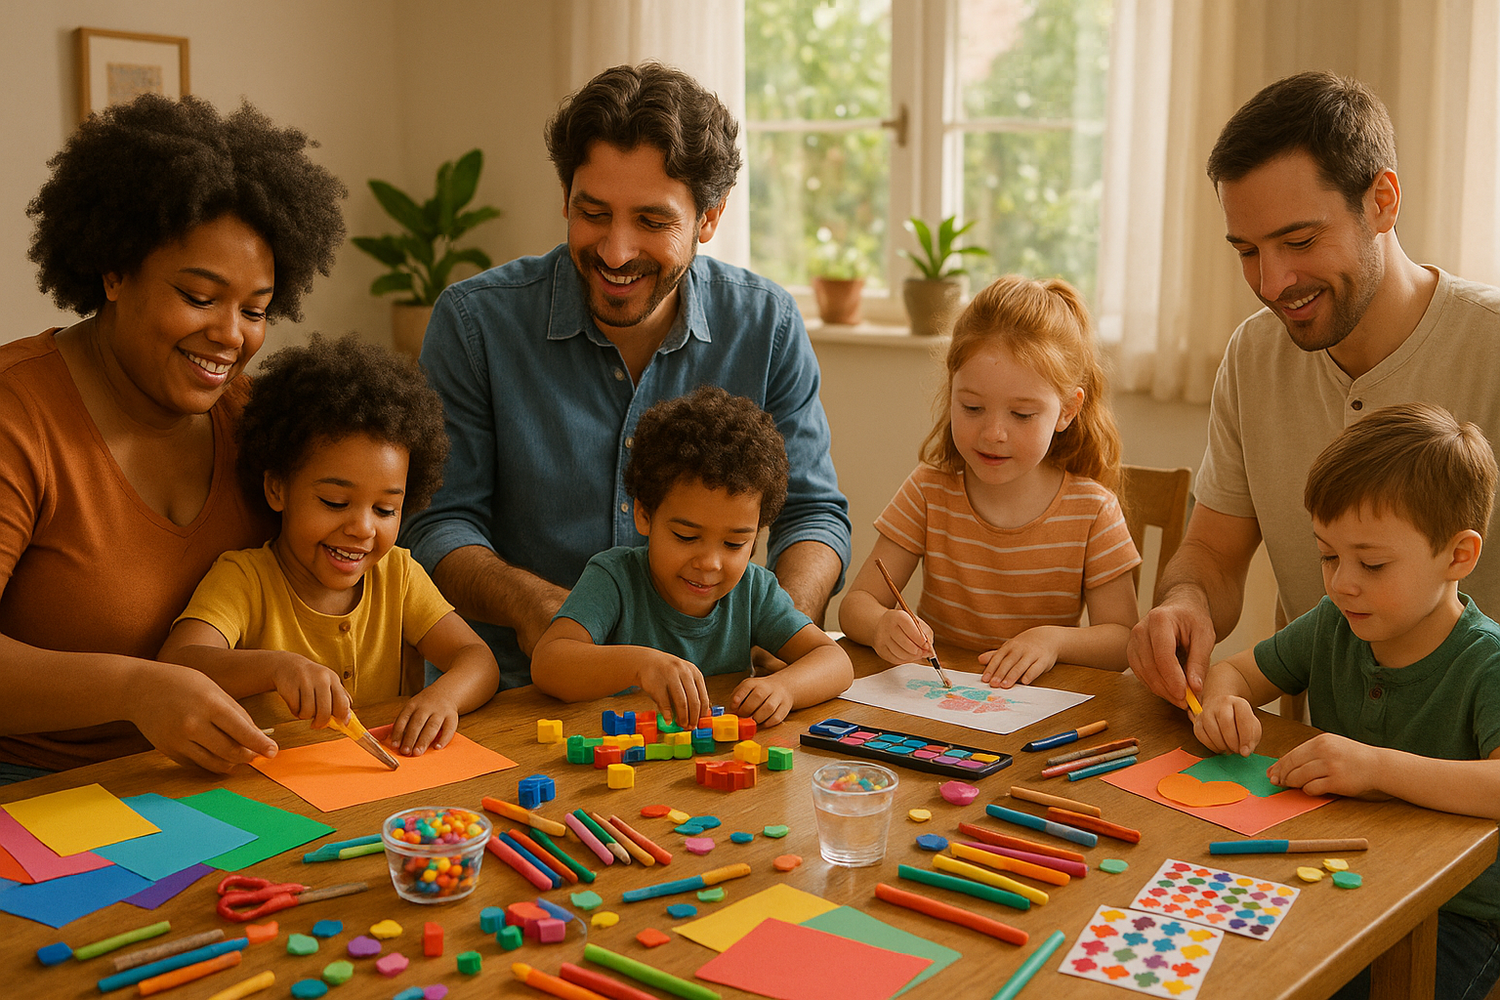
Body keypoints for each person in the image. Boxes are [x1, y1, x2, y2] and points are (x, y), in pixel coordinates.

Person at [401, 62, 851, 691]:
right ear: (564, 198)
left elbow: (812, 513)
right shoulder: (476, 324)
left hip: (715, 701)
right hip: (514, 694)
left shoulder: (766, 324)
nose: (615, 252)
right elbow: (434, 522)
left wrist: (787, 621)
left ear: (709, 218)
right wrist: (530, 605)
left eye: (652, 221)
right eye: (592, 213)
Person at [1127, 71, 1500, 708]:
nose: (1273, 283)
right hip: (1315, 761)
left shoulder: (1488, 346)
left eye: (1300, 240)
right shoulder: (1253, 355)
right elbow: (1213, 552)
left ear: (1382, 201)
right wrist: (1183, 603)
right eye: (1247, 250)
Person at [0, 95, 345, 781]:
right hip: (36, 795)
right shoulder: (17, 415)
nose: (230, 335)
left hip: (221, 781)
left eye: (255, 310)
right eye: (198, 297)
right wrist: (136, 689)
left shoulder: (255, 420)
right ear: (115, 271)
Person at [1193, 402, 1500, 1000]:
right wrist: (1222, 702)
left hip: (1460, 911)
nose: (1341, 582)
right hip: (1345, 879)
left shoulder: (1487, 662)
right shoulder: (1334, 623)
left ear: (1458, 555)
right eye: (1328, 555)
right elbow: (1233, 673)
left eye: (1372, 562)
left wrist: (1376, 767)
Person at [159, 336, 500, 757]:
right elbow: (177, 664)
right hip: (272, 794)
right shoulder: (244, 579)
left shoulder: (398, 575)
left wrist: (443, 697)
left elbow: (478, 659)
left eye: (385, 509)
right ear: (277, 488)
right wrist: (277, 667)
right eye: (335, 502)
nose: (362, 528)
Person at [839, 275, 1140, 686]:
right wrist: (880, 627)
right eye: (972, 406)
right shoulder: (928, 491)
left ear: (1068, 411)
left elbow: (1122, 641)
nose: (993, 433)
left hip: (1038, 715)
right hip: (938, 706)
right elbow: (857, 604)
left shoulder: (1094, 512)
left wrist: (1051, 641)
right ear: (952, 392)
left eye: (1021, 415)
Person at [530, 386, 853, 728]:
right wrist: (641, 666)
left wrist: (785, 687)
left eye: (734, 544)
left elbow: (835, 661)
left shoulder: (754, 591)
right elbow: (549, 663)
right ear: (644, 514)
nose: (710, 563)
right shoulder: (614, 578)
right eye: (686, 536)